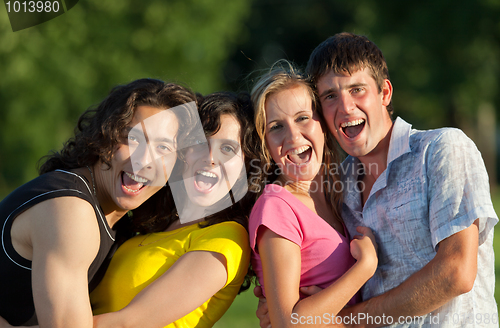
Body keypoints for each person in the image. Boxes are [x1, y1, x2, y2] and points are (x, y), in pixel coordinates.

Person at [258, 32, 498, 327]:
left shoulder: (440, 150)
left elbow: (456, 272)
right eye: (330, 96)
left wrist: (340, 321)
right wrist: (284, 305)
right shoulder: (337, 187)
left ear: (385, 93)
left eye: (357, 89)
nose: (345, 107)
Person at [0, 78, 199, 327]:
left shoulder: (113, 217)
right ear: (105, 137)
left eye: (163, 147)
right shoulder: (72, 209)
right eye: (132, 139)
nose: (144, 159)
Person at [88, 91, 258, 328]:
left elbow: (128, 323)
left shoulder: (226, 238)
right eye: (200, 143)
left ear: (246, 166)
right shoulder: (158, 222)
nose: (210, 158)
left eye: (227, 149)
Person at [249, 62, 378, 328]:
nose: (293, 136)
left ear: (322, 124)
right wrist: (364, 267)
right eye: (276, 127)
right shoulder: (277, 207)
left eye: (302, 118)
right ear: (265, 144)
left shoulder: (334, 193)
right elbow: (289, 324)